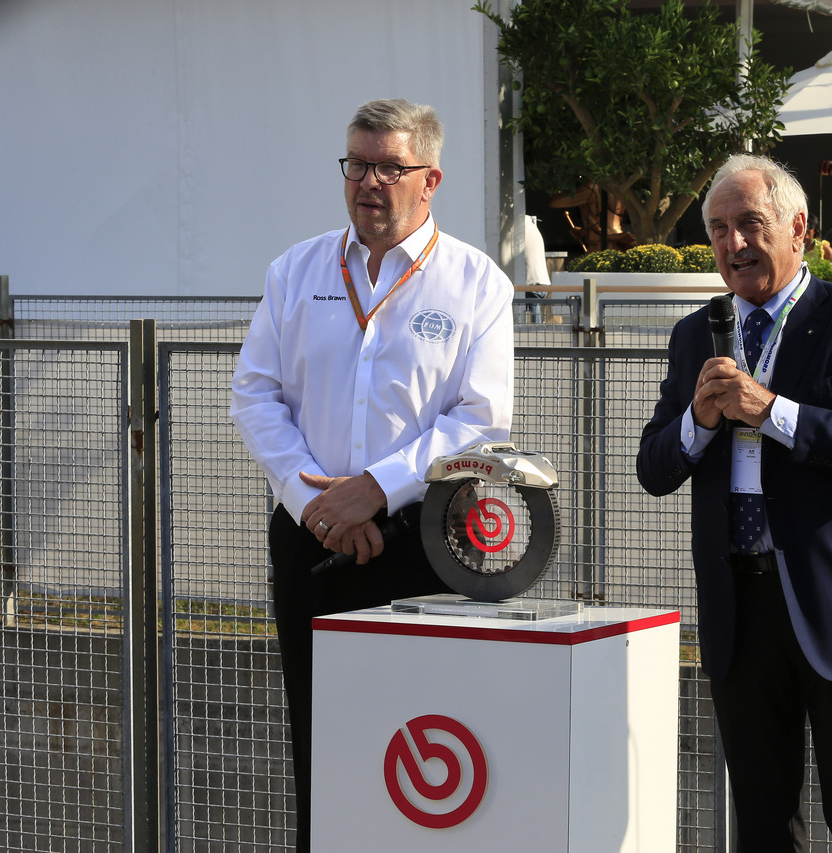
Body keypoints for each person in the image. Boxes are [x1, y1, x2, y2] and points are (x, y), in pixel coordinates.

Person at [229, 99, 514, 852]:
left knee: (434, 744)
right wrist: (310, 498)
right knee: (322, 740)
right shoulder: (295, 270)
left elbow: (481, 418)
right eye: (358, 162)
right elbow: (253, 391)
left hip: (428, 543)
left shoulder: (475, 283)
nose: (370, 181)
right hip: (311, 541)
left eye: (391, 166)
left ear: (431, 179)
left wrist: (377, 488)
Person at [636, 153, 832, 853]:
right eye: (717, 230)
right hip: (740, 607)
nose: (733, 244)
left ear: (798, 227)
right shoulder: (694, 334)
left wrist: (773, 412)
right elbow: (652, 468)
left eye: (748, 224)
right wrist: (698, 423)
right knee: (762, 827)